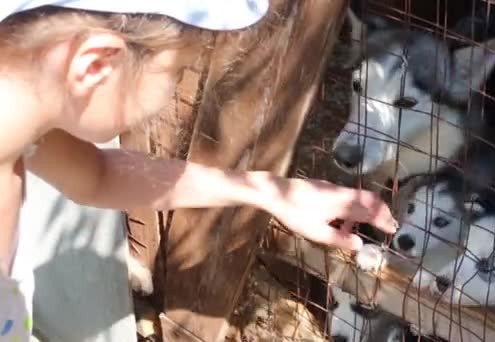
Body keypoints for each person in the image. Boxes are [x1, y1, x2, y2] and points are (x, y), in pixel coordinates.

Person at [0, 1, 398, 340]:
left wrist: (270, 192)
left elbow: (98, 176)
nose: (171, 89)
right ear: (96, 65)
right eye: (176, 71)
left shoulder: (19, 120)